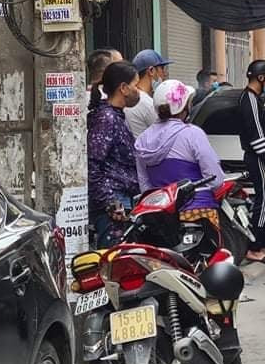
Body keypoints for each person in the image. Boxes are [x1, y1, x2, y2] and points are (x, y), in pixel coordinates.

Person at [135, 79, 225, 230]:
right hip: (198, 213)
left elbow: (145, 187)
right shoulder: (192, 134)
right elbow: (215, 179)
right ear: (184, 107)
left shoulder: (142, 140)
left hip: (161, 219)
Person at [87, 60, 142, 248]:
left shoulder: (117, 115)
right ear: (124, 88)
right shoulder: (106, 118)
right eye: (136, 85)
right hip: (114, 204)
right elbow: (92, 163)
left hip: (124, 200)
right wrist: (109, 201)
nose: (139, 91)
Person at [239, 59, 265, 266]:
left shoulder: (255, 100)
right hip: (259, 159)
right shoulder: (250, 100)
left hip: (261, 158)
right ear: (261, 78)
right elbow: (256, 135)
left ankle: (264, 244)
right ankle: (254, 248)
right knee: (263, 202)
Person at [125, 49, 173, 138]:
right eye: (162, 69)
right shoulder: (147, 104)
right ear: (151, 70)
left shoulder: (130, 98)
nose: (165, 74)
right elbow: (168, 135)